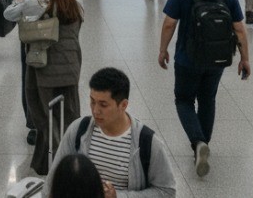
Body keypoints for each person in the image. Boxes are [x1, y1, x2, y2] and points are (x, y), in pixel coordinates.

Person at [158, 0, 250, 179]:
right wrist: (245, 59)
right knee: (208, 99)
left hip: (187, 59)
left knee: (184, 99)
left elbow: (169, 23)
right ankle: (204, 143)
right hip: (217, 59)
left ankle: (198, 143)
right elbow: (239, 29)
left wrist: (163, 49)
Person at [45, 67, 178, 198]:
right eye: (92, 102)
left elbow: (167, 191)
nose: (95, 110)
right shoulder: (78, 130)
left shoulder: (148, 142)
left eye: (103, 105)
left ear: (123, 105)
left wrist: (118, 196)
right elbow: (54, 179)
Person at [5, 0, 85, 176]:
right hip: (70, 68)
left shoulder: (36, 4)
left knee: (43, 114)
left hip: (44, 68)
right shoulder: (75, 6)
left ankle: (55, 159)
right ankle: (65, 157)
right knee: (69, 114)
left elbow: (8, 15)